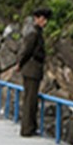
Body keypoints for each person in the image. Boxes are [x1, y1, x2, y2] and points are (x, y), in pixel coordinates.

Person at [17, 7, 52, 137]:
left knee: (31, 99)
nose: (44, 22)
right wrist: (20, 63)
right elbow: (27, 51)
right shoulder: (33, 33)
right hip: (31, 69)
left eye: (45, 19)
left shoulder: (37, 32)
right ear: (37, 19)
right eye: (42, 19)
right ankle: (27, 129)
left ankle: (31, 126)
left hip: (32, 69)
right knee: (30, 100)